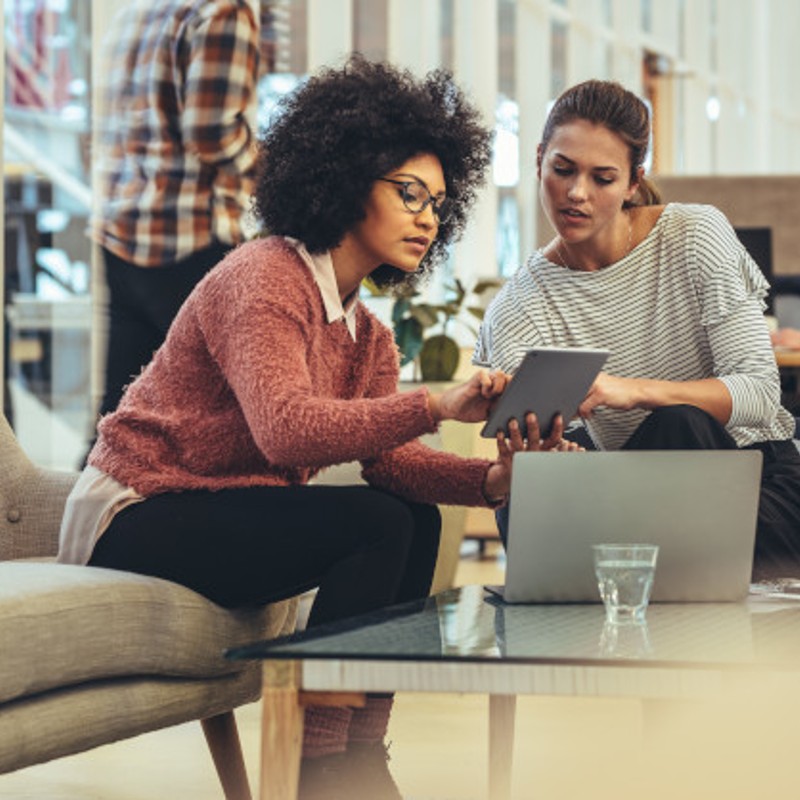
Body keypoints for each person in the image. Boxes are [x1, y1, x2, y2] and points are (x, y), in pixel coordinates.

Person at [59, 57, 576, 799]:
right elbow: (286, 432)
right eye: (408, 193)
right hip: (137, 508)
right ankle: (319, 765)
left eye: (438, 200)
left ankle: (357, 750)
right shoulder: (264, 276)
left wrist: (491, 479)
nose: (428, 216)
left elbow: (390, 463)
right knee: (372, 523)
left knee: (412, 518)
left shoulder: (367, 333)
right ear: (343, 176)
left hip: (217, 505)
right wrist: (436, 404)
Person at [475, 79, 800, 582]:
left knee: (679, 424)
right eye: (562, 170)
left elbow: (759, 392)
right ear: (538, 158)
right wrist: (538, 457)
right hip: (634, 500)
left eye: (602, 178)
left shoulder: (694, 236)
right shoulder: (517, 309)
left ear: (632, 182)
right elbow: (574, 472)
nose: (576, 193)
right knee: (525, 502)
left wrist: (630, 392)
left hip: (759, 489)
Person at [87, 0, 262, 456]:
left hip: (123, 233)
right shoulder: (223, 11)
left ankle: (81, 520)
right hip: (189, 239)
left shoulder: (140, 9)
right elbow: (212, 133)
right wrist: (273, 167)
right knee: (221, 423)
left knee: (119, 414)